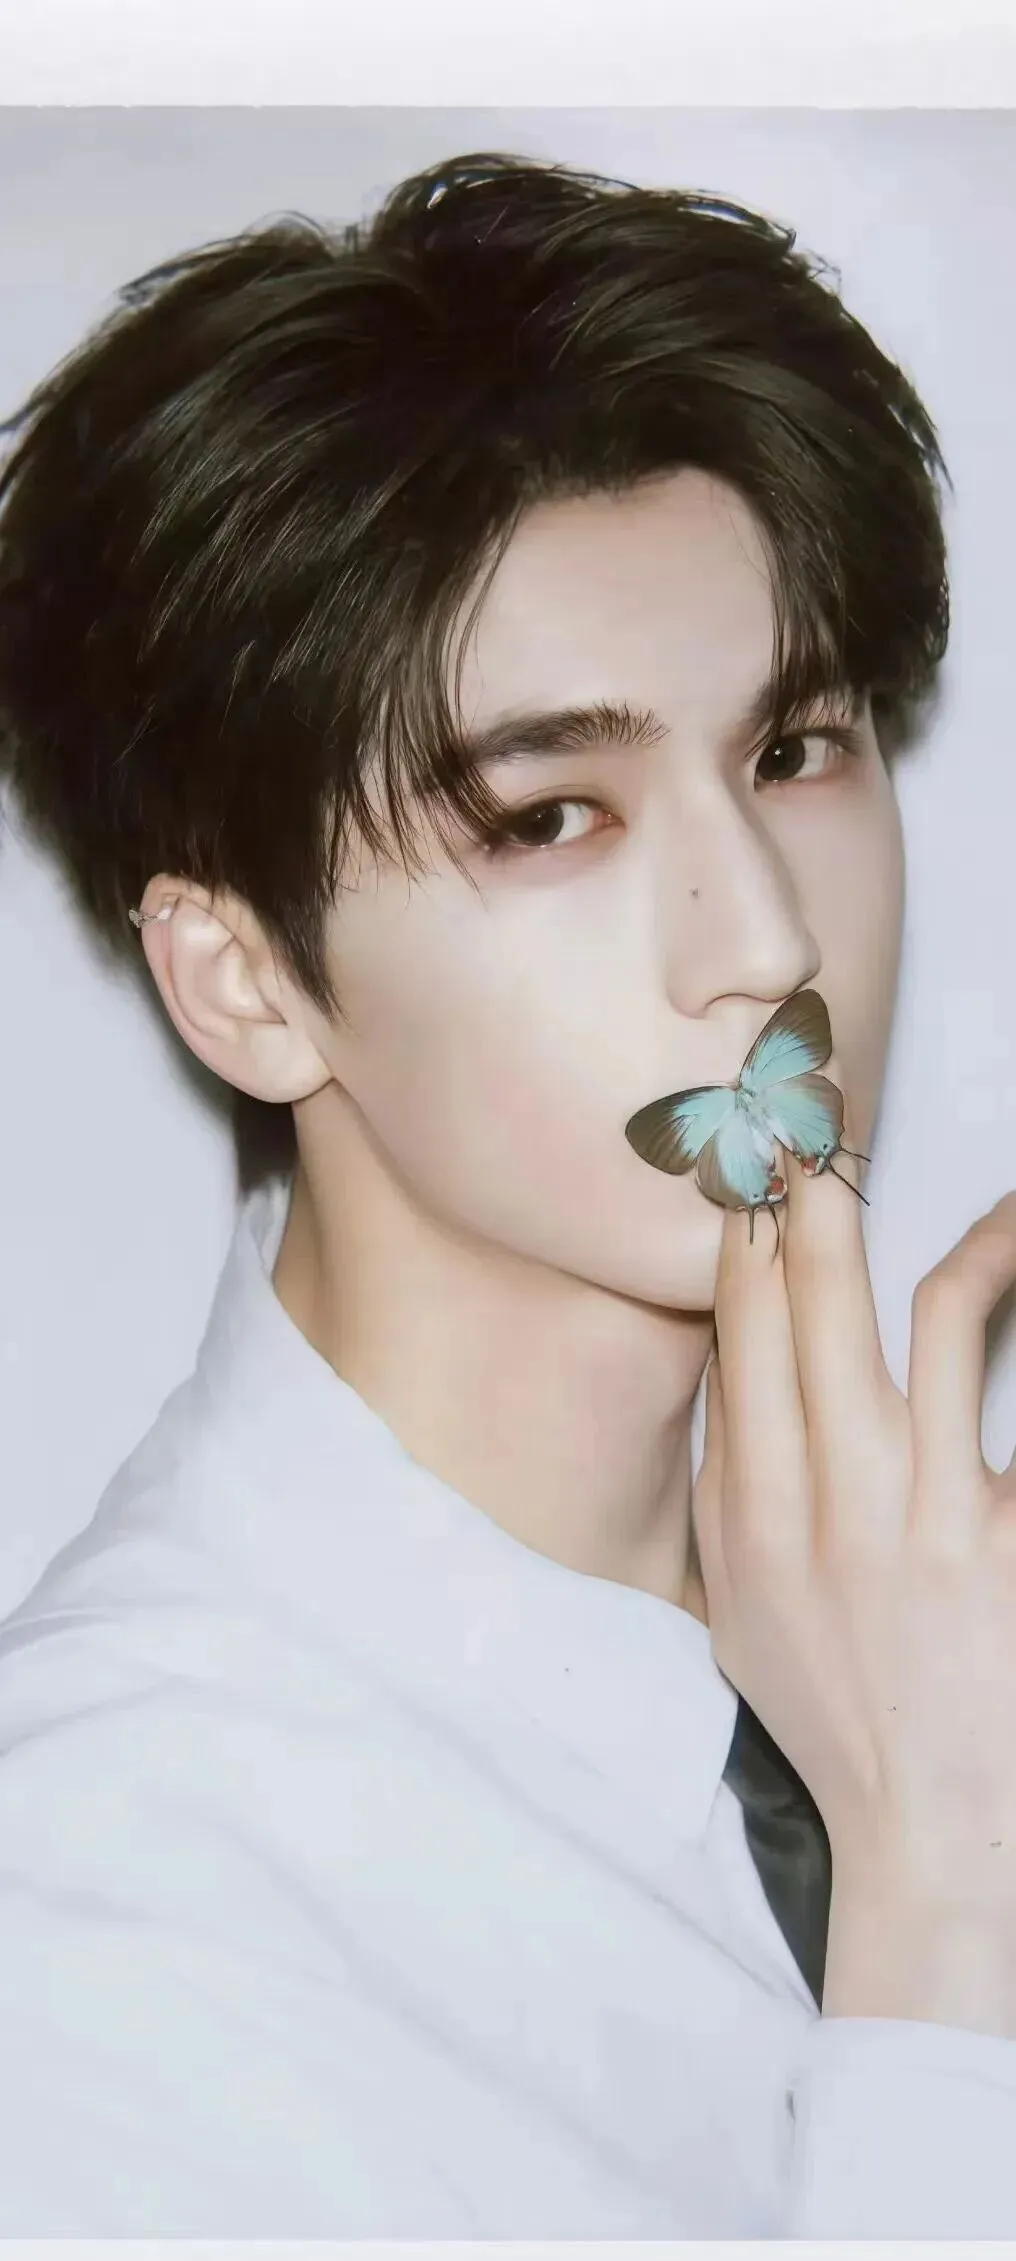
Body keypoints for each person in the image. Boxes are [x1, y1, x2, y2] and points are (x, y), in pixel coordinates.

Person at [0, 147, 1014, 2238]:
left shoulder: (949, 1610)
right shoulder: (105, 1925)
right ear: (245, 979)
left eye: (797, 748)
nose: (763, 939)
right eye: (553, 816)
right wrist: (938, 1904)